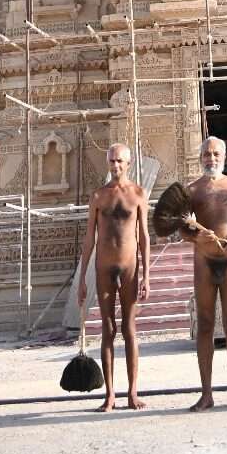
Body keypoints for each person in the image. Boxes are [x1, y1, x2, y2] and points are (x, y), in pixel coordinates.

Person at [180, 135, 227, 411]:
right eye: (206, 154)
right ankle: (206, 394)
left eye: (216, 154)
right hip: (204, 261)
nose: (211, 158)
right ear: (200, 157)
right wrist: (195, 237)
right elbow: (182, 227)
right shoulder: (192, 189)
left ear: (223, 157)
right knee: (205, 323)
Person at [77, 144, 150, 411]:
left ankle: (132, 392)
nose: (115, 166)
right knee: (108, 330)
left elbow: (144, 236)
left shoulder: (139, 194)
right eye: (111, 161)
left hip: (129, 267)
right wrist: (82, 277)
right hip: (104, 268)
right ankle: (109, 395)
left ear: (128, 163)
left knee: (129, 328)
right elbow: (89, 238)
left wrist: (147, 275)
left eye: (119, 161)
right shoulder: (98, 196)